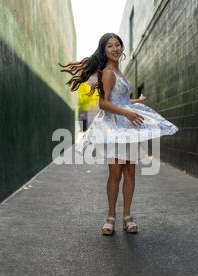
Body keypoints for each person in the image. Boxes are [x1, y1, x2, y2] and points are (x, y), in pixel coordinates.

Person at [59, 33, 179, 236]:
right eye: (109, 46)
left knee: (130, 171)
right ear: (104, 50)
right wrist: (127, 112)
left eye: (117, 45)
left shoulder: (119, 72)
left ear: (122, 48)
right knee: (115, 173)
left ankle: (127, 217)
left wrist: (135, 103)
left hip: (128, 129)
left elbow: (119, 100)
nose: (115, 48)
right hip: (115, 129)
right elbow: (104, 104)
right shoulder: (107, 72)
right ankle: (110, 216)